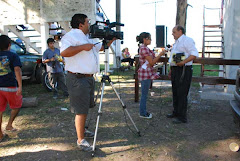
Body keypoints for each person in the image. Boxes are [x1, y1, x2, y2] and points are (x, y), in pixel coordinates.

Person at [60, 13, 115, 152]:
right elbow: (64, 52)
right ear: (80, 24)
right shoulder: (70, 36)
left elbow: (100, 48)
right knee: (81, 110)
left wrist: (112, 38)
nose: (89, 24)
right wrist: (82, 47)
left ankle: (83, 131)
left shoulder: (86, 37)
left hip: (88, 78)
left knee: (86, 107)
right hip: (77, 78)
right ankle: (81, 140)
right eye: (87, 22)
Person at [166, 25, 199, 124]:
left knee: (182, 92)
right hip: (176, 69)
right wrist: (172, 69)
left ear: (180, 31)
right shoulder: (176, 43)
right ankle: (176, 112)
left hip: (184, 69)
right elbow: (173, 58)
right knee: (175, 91)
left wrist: (183, 62)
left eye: (174, 32)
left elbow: (194, 54)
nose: (172, 34)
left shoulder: (187, 40)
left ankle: (182, 116)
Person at [136, 32, 165, 119]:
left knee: (144, 94)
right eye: (150, 38)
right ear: (145, 39)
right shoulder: (144, 49)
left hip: (146, 73)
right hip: (145, 74)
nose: (151, 40)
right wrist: (160, 55)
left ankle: (143, 112)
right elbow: (152, 62)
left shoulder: (144, 48)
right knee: (144, 94)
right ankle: (143, 113)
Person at [0, 35, 22, 142]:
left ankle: (0, 134)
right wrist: (20, 86)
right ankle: (9, 124)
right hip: (10, 86)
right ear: (9, 45)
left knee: (0, 110)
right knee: (16, 106)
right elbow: (17, 70)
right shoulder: (13, 55)